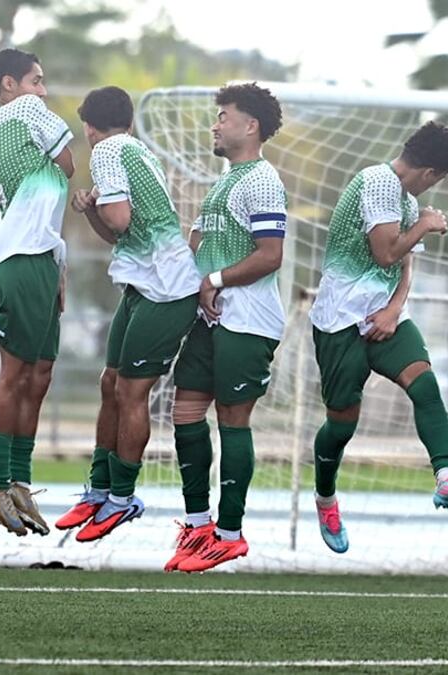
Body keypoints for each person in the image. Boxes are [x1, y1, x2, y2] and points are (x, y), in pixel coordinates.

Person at [308, 121, 448, 555]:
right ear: (431, 173)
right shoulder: (377, 182)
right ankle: (326, 499)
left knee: (425, 385)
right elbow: (386, 251)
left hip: (386, 318)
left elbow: (403, 264)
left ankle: (447, 478)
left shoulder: (406, 200)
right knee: (341, 426)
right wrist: (425, 224)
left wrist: (393, 308)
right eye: (440, 179)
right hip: (341, 321)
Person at [56, 86, 200, 542]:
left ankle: (121, 498)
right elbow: (119, 233)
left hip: (167, 290)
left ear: (90, 128)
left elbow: (117, 220)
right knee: (110, 384)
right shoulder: (135, 148)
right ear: (131, 120)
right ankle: (98, 489)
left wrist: (96, 205)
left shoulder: (108, 150)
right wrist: (92, 211)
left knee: (131, 392)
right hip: (145, 286)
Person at [167, 83, 289, 573]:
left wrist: (214, 279)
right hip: (209, 319)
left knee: (232, 422)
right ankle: (197, 526)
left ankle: (230, 534)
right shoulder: (225, 180)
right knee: (184, 414)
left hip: (247, 322)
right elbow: (199, 240)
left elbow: (270, 255)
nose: (215, 125)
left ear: (250, 125)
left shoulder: (262, 180)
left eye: (223, 116)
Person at [0, 48, 75, 536]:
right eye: (37, 80)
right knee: (16, 375)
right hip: (21, 258)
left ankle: (18, 482)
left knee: (39, 374)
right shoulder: (24, 110)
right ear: (9, 84)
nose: (44, 90)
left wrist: (59, 265)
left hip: (39, 257)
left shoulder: (4, 122)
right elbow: (70, 162)